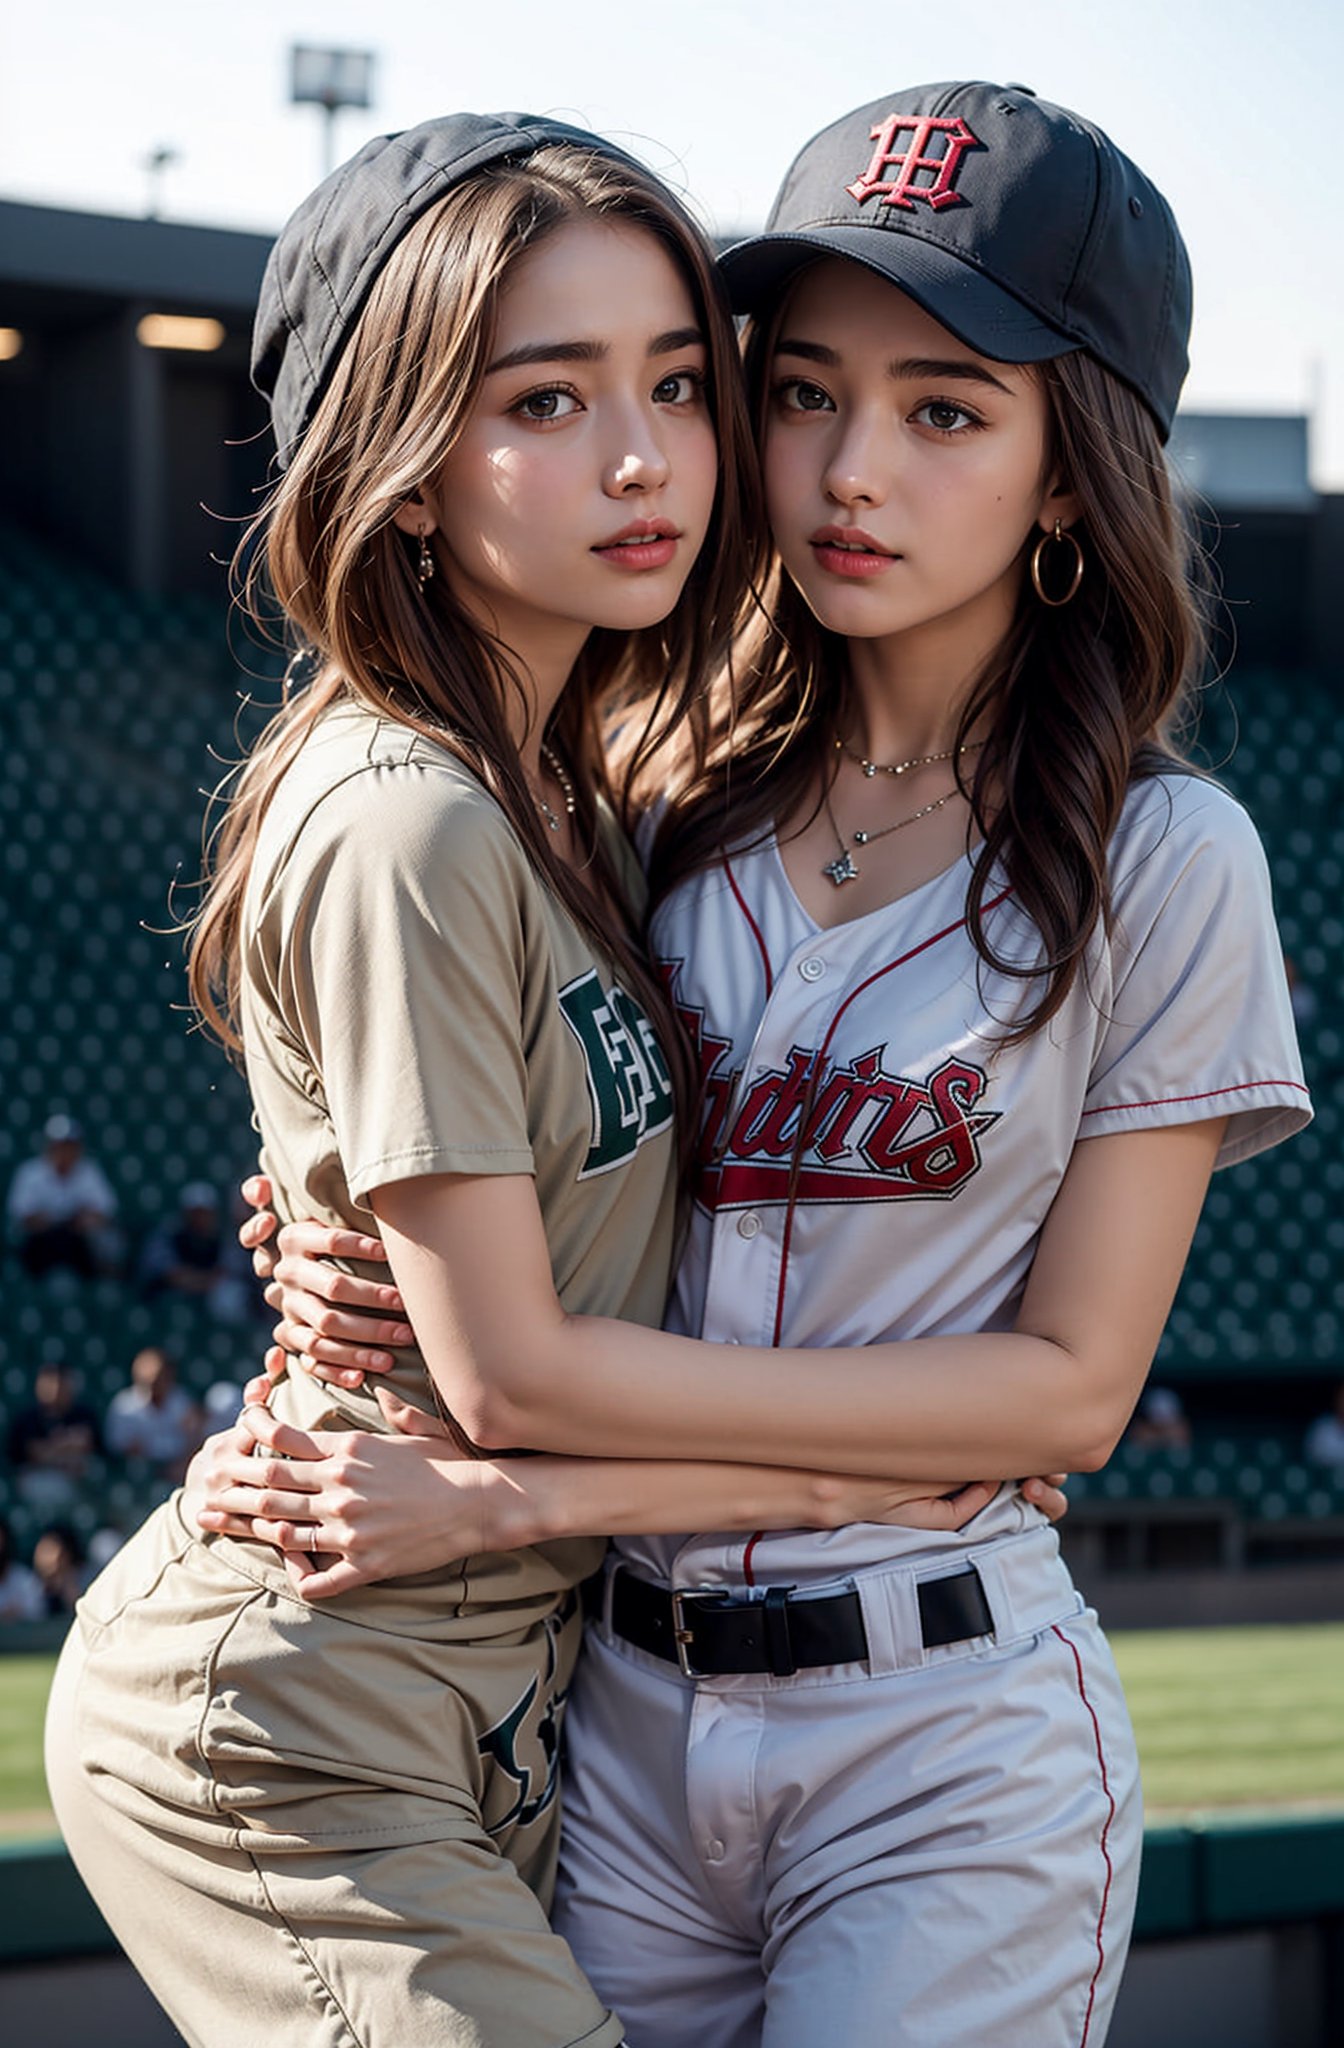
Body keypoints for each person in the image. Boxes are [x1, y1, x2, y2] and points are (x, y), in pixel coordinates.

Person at [210, 83, 1311, 2047]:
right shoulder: (642, 806)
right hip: (617, 1727)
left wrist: (510, 1478)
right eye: (801, 393)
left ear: (1072, 476)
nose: (845, 471)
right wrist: (324, 1234)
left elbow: (1065, 1398)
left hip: (940, 1736)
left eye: (946, 409)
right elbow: (481, 1171)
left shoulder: (1166, 856)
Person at [43, 108, 987, 2048]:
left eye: (672, 385)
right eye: (544, 401)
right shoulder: (414, 815)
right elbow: (510, 1376)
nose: (644, 458)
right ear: (400, 475)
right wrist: (874, 1450)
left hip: (495, 1688)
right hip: (300, 1700)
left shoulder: (580, 789)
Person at [7, 1112, 121, 1278]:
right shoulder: (30, 1172)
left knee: (103, 1242)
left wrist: (82, 1220)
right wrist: (53, 1221)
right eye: (61, 1145)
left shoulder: (89, 1171)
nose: (66, 1151)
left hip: (78, 1243)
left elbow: (105, 1211)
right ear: (51, 1146)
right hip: (40, 1243)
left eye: (70, 1145)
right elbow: (22, 1214)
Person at [138, 1180, 259, 1322]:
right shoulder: (168, 1235)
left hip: (211, 1297)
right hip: (169, 1296)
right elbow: (170, 1274)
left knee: (232, 1295)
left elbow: (229, 1271)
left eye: (205, 1213)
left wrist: (203, 1280)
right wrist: (202, 1280)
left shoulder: (222, 1238)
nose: (201, 1218)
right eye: (195, 1213)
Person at [7, 1357, 101, 1514]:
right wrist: (65, 1448)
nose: (55, 1388)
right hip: (39, 1479)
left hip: (77, 1480)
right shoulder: (27, 1418)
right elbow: (33, 1453)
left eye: (60, 1382)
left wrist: (52, 1449)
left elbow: (87, 1444)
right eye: (49, 1382)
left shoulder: (83, 1414)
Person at [104, 1345, 203, 1481]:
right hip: (139, 1471)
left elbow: (194, 1437)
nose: (153, 1385)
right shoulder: (124, 1406)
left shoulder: (181, 1400)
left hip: (178, 1467)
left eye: (158, 1378)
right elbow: (121, 1447)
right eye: (146, 1380)